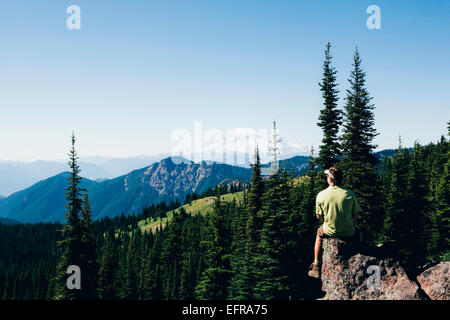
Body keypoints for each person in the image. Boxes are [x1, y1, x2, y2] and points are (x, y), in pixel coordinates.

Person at [307, 166, 361, 278]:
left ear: (330, 179)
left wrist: (326, 222)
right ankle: (359, 256)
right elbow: (355, 214)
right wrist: (349, 223)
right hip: (348, 231)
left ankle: (316, 264)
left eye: (327, 176)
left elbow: (319, 216)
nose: (327, 177)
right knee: (358, 232)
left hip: (329, 231)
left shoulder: (321, 195)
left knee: (318, 234)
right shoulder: (349, 194)